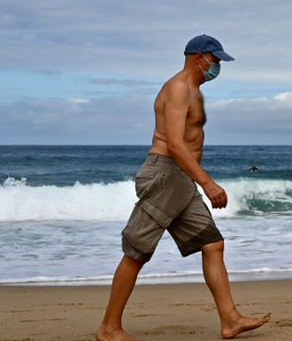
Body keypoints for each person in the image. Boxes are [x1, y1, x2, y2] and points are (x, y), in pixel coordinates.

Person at [96, 35, 270, 341]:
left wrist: (196, 179)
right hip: (165, 176)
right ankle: (109, 328)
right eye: (215, 61)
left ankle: (230, 320)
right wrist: (208, 183)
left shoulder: (194, 91)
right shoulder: (178, 89)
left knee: (212, 244)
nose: (217, 67)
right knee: (137, 252)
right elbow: (175, 144)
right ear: (199, 57)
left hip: (180, 179)